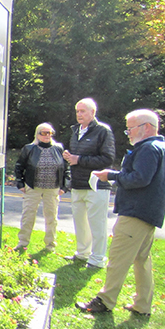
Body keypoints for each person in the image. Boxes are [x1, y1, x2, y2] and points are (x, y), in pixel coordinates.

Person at [76, 110, 165, 316]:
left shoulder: (148, 148)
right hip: (150, 213)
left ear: (147, 127)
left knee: (118, 258)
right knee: (142, 260)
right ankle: (142, 305)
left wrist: (111, 176)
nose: (128, 133)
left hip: (135, 212)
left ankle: (105, 301)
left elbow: (140, 178)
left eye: (131, 129)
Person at [63, 98, 115, 268]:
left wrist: (79, 159)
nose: (79, 114)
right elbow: (76, 158)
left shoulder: (103, 131)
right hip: (78, 184)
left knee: (97, 224)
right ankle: (82, 254)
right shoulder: (75, 131)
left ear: (93, 112)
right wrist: (70, 158)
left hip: (97, 185)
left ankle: (98, 259)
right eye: (77, 111)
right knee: (80, 223)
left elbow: (107, 158)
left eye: (83, 111)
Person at [13, 123, 70, 252]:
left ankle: (50, 245)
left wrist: (64, 186)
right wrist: (20, 183)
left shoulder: (58, 148)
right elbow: (19, 166)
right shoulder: (29, 149)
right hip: (33, 187)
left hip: (53, 188)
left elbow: (66, 169)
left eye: (50, 133)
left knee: (51, 218)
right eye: (44, 133)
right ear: (37, 134)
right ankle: (22, 242)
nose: (47, 135)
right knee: (28, 216)